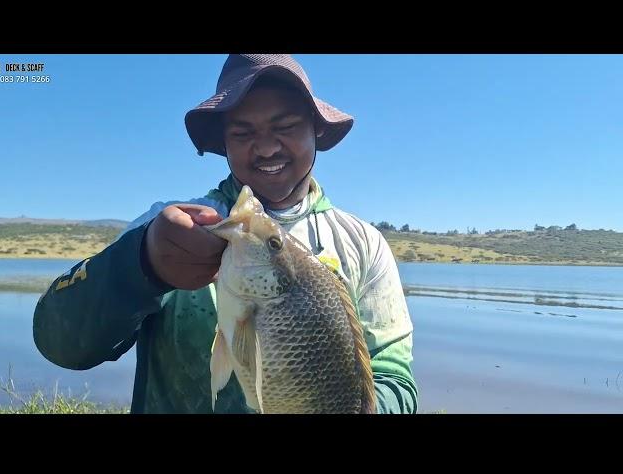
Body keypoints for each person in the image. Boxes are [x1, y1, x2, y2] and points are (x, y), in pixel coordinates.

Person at [33, 54, 418, 414]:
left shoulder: (363, 243)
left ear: (316, 129)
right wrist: (142, 266)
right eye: (242, 132)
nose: (266, 147)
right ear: (224, 142)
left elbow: (395, 383)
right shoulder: (171, 226)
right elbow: (59, 343)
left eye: (285, 127)